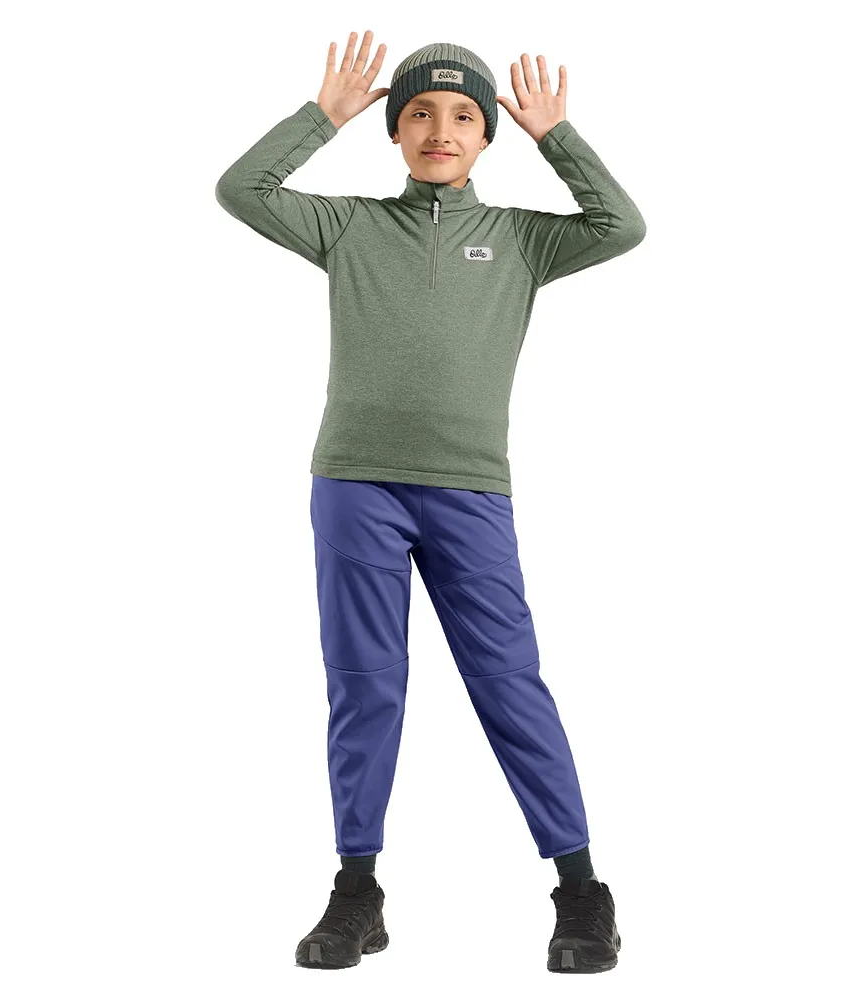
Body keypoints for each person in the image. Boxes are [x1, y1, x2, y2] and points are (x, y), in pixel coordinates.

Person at [215, 32, 645, 974]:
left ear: (486, 135)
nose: (439, 129)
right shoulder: (350, 227)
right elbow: (242, 189)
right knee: (363, 686)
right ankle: (356, 890)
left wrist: (557, 136)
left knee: (509, 682)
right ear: (394, 131)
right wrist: (322, 116)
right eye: (418, 112)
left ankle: (582, 892)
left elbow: (622, 224)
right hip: (354, 484)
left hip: (470, 492)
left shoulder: (525, 239)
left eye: (461, 115)